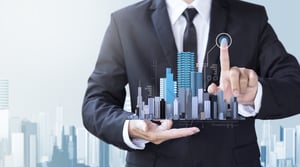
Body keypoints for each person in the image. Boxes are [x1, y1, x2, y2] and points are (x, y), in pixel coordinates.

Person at [82, 0, 300, 166]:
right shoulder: (126, 23)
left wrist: (255, 93)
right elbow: (95, 103)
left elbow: (294, 87)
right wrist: (132, 127)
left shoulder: (251, 18)